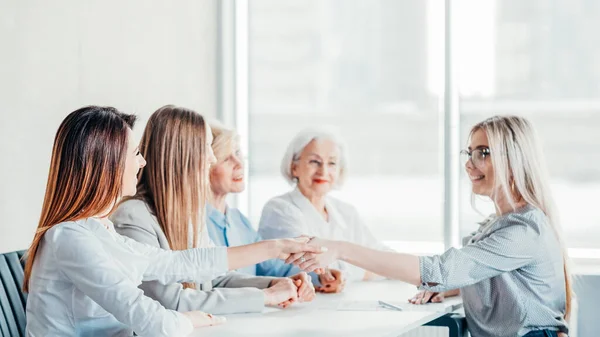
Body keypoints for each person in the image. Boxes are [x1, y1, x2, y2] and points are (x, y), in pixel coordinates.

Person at [23, 106, 323, 337]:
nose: (141, 162)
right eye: (134, 154)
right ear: (106, 163)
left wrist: (275, 248)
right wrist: (186, 319)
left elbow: (178, 264)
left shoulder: (100, 231)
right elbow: (152, 319)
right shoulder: (70, 238)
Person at [290, 116, 571, 337]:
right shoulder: (498, 224)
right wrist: (456, 288)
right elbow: (495, 279)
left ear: (514, 160)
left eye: (483, 153)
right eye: (469, 152)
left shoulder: (523, 230)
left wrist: (340, 249)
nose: (470, 164)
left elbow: (439, 270)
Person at [111, 105, 314, 315]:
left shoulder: (191, 213)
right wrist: (266, 296)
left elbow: (213, 277)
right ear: (183, 155)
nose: (212, 158)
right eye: (206, 147)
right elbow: (169, 302)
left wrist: (272, 283)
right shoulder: (132, 217)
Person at [258, 129, 388, 290]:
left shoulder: (346, 211)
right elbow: (312, 267)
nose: (323, 171)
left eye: (332, 163)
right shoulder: (279, 209)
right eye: (314, 162)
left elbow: (380, 256)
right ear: (294, 167)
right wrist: (367, 268)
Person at [207, 122, 329, 293]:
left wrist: (319, 278)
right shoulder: (194, 224)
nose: (239, 164)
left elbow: (271, 267)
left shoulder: (238, 220)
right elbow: (216, 282)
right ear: (204, 166)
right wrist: (271, 284)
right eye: (226, 158)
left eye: (237, 153)